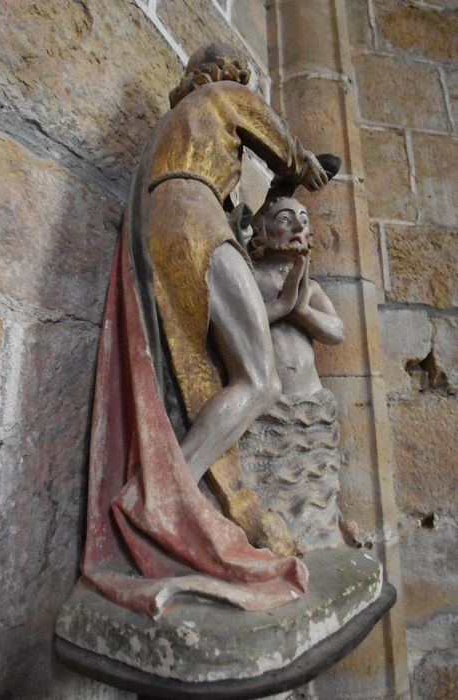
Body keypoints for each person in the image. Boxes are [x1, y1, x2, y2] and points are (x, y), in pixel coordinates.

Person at [82, 45, 334, 616]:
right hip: (196, 219)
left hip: (165, 225)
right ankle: (163, 495)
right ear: (224, 75)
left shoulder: (169, 129)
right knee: (259, 381)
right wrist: (306, 168)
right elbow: (284, 147)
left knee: (207, 371)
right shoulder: (223, 97)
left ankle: (168, 493)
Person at [240, 197, 345, 549]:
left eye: (304, 219)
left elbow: (337, 332)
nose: (299, 227)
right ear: (261, 231)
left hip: (311, 409)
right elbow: (237, 323)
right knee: (271, 487)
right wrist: (283, 306)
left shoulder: (310, 288)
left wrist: (302, 312)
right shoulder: (250, 278)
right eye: (286, 219)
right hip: (271, 407)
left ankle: (320, 539)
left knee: (315, 489)